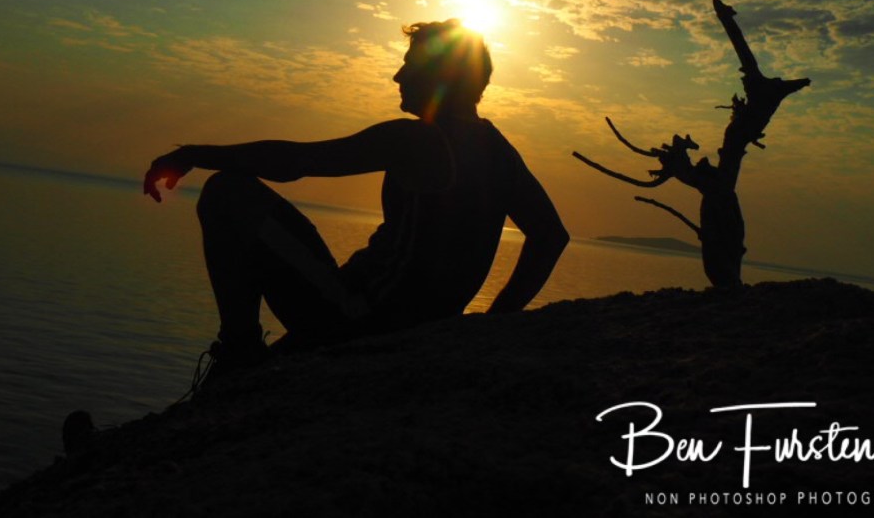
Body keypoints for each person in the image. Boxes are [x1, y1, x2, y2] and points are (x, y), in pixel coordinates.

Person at [143, 19, 568, 377]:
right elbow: (550, 236)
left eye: (410, 67)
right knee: (282, 360)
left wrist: (193, 155)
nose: (398, 77)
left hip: (361, 315)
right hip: (402, 319)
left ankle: (238, 350)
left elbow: (298, 161)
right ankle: (251, 363)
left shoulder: (417, 139)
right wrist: (497, 321)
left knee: (226, 192)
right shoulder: (498, 149)